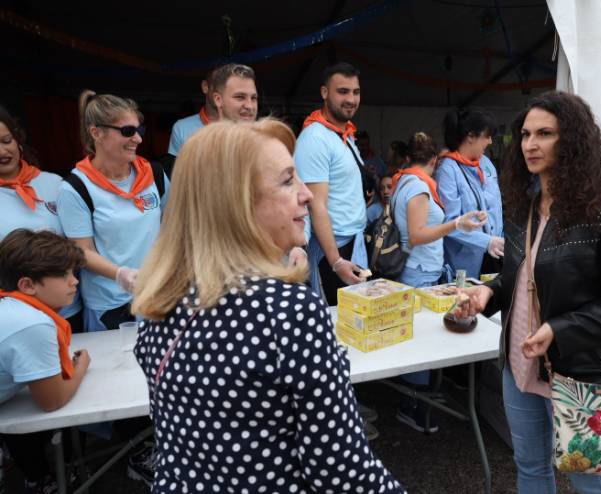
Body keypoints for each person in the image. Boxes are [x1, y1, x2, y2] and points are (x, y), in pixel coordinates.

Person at [132, 119, 405, 493]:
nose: (307, 194)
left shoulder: (161, 299)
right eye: (288, 180)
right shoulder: (288, 313)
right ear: (236, 203)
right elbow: (342, 471)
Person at [457, 91, 601, 494]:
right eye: (525, 134)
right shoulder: (525, 210)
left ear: (573, 141)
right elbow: (519, 277)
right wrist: (488, 294)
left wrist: (559, 330)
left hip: (580, 367)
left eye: (545, 133)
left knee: (592, 482)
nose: (530, 144)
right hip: (519, 362)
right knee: (530, 467)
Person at [391, 132, 485, 432]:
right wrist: (455, 224)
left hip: (417, 269)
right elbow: (418, 235)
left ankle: (419, 397)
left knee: (418, 338)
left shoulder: (402, 181)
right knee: (421, 342)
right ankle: (413, 404)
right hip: (418, 271)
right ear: (434, 160)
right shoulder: (419, 188)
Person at [57, 90, 169, 333]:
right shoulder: (76, 187)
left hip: (156, 293)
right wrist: (121, 275)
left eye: (139, 130)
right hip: (110, 304)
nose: (137, 139)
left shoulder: (155, 174)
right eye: (127, 131)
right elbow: (82, 250)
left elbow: (172, 225)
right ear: (96, 133)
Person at [0, 229, 90, 494]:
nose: (74, 281)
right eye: (63, 275)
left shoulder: (12, 307)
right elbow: (52, 401)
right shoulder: (31, 324)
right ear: (28, 285)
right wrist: (81, 367)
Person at [0, 105, 83, 331]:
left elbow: (79, 239)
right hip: (18, 319)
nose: (2, 151)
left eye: (6, 141)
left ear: (18, 141)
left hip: (69, 309)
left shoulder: (54, 183)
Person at [295, 62, 368, 305]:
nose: (351, 99)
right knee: (337, 320)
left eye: (355, 92)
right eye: (343, 91)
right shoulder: (315, 138)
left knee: (355, 318)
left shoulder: (343, 134)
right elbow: (316, 205)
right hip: (332, 251)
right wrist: (336, 261)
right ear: (325, 92)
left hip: (352, 242)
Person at [437, 109, 504, 280]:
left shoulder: (486, 163)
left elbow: (496, 207)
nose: (490, 141)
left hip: (496, 253)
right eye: (487, 135)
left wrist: (499, 239)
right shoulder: (448, 169)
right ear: (471, 136)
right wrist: (486, 241)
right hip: (465, 260)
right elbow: (449, 224)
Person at [167, 67, 219, 157]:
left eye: (229, 87)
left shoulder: (242, 127)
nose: (224, 90)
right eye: (219, 85)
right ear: (205, 87)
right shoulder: (182, 127)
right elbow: (176, 165)